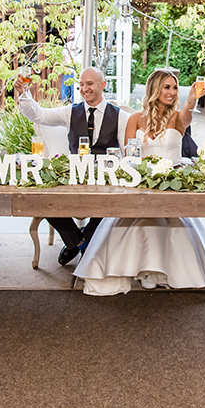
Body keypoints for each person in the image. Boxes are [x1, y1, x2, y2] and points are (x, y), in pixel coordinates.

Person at [73, 70, 205, 294]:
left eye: (174, 87)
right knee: (137, 220)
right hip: (143, 183)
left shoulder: (179, 118)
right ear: (154, 89)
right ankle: (139, 268)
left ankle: (161, 270)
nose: (171, 92)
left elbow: (188, 110)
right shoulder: (135, 119)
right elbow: (128, 155)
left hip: (172, 185)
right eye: (166, 87)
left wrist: (193, 98)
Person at [16, 66, 129, 265]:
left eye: (90, 84)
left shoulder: (120, 116)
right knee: (43, 199)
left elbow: (127, 150)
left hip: (105, 179)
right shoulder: (71, 111)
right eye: (82, 84)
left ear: (102, 85)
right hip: (74, 176)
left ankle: (80, 241)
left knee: (115, 202)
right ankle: (77, 242)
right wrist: (24, 93)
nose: (85, 89)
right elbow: (39, 115)